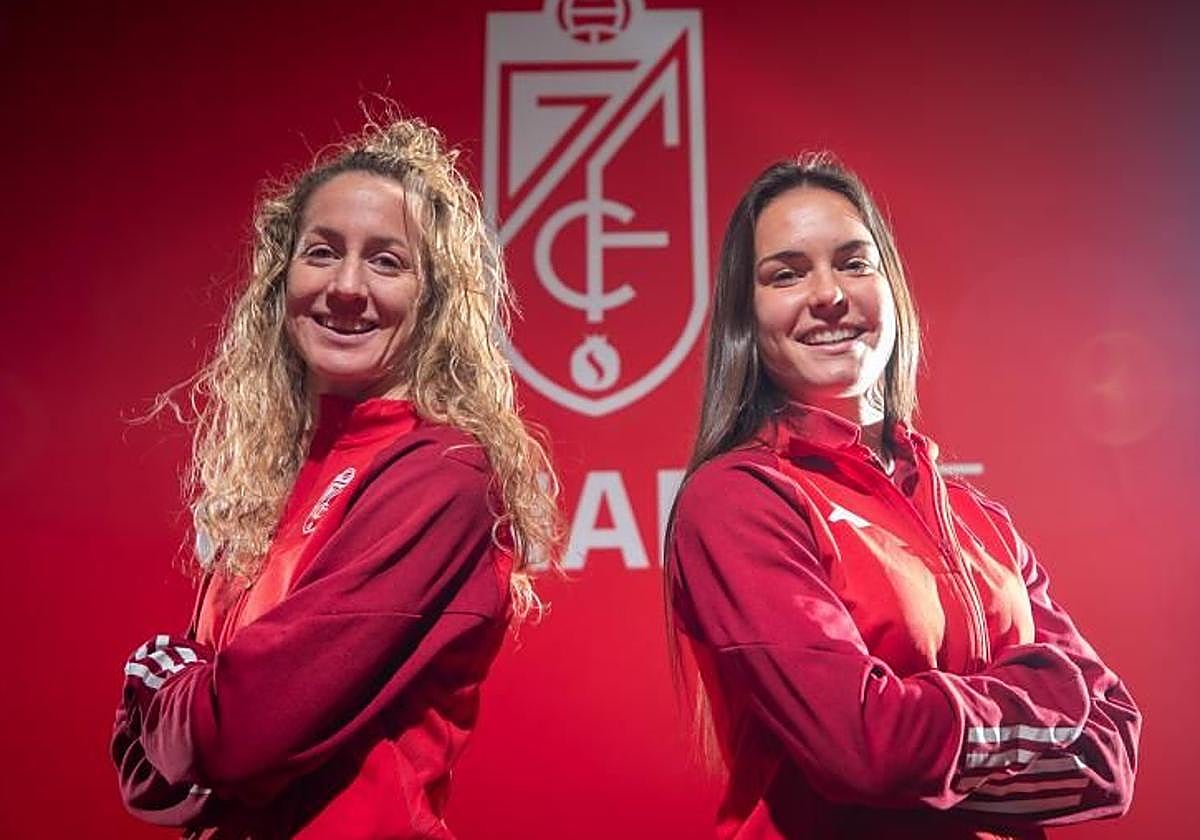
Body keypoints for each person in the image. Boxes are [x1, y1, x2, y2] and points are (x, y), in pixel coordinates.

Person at [112, 114, 562, 837]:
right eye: (322, 252)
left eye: (387, 262)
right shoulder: (273, 476)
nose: (347, 287)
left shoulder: (442, 476)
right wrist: (194, 720)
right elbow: (147, 775)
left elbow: (238, 735)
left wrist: (164, 691)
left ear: (434, 299)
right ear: (281, 277)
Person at [665, 154, 1140, 839]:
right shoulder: (739, 501)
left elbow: (1114, 748)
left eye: (854, 263)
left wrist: (932, 749)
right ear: (746, 315)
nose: (829, 294)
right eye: (787, 273)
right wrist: (1045, 706)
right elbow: (863, 751)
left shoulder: (978, 518)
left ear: (891, 289)